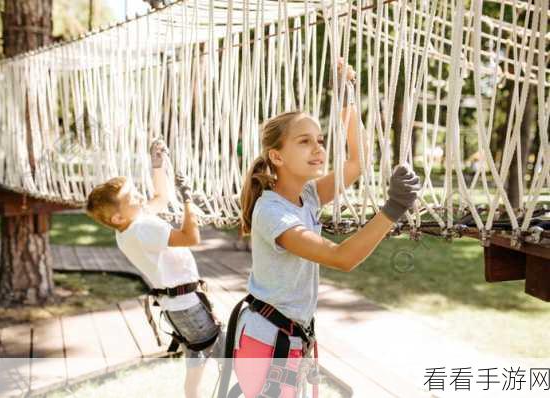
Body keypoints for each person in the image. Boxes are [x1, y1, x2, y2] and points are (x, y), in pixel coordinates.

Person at [219, 59, 422, 398]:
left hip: (288, 336)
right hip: (269, 341)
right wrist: (393, 209)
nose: (318, 149)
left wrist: (347, 100)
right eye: (304, 141)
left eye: (320, 139)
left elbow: (357, 162)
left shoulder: (307, 195)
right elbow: (341, 257)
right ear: (277, 157)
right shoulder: (272, 210)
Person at [86, 139, 223, 398]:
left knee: (197, 360)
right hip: (188, 307)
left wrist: (158, 166)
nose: (140, 196)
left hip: (177, 308)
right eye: (132, 197)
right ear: (118, 216)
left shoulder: (127, 227)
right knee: (233, 354)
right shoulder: (142, 228)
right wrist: (188, 201)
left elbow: (160, 198)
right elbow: (191, 238)